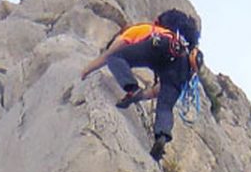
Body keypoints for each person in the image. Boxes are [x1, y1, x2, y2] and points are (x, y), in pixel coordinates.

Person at [81, 9, 201, 160]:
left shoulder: (137, 30)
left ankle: (131, 86)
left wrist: (85, 71)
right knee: (165, 107)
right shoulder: (183, 47)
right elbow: (157, 92)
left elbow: (110, 54)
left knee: (116, 58)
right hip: (182, 68)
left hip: (160, 46)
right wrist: (138, 96)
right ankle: (162, 136)